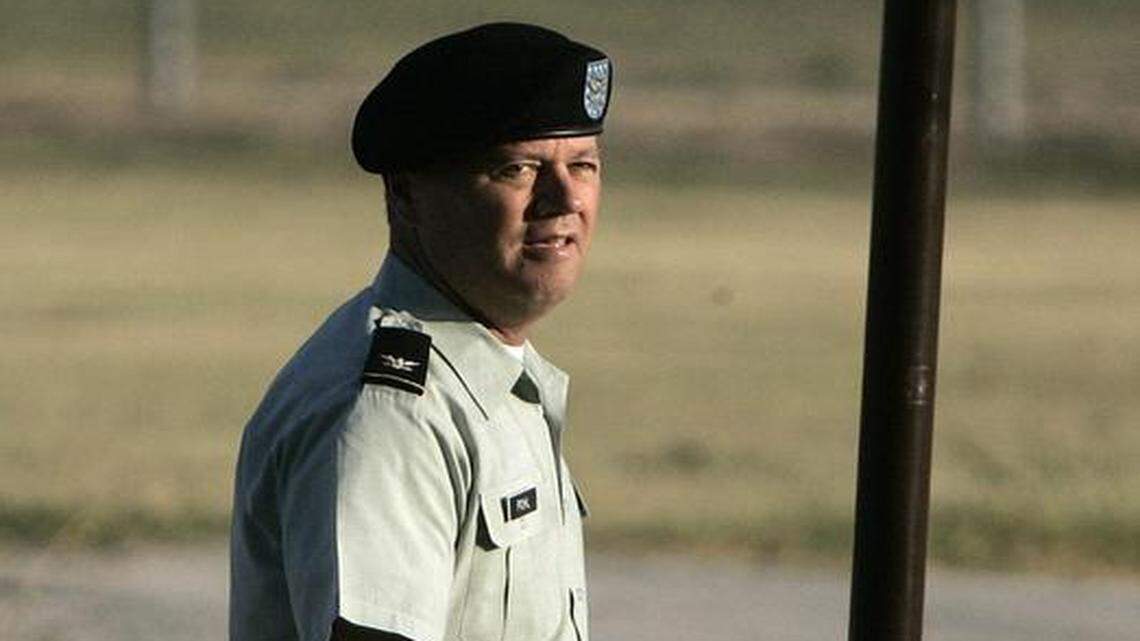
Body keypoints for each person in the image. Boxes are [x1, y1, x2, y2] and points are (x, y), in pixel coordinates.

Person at [229, 22, 612, 641]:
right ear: (407, 193)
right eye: (518, 169)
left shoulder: (492, 375)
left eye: (583, 164)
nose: (563, 198)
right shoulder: (392, 414)